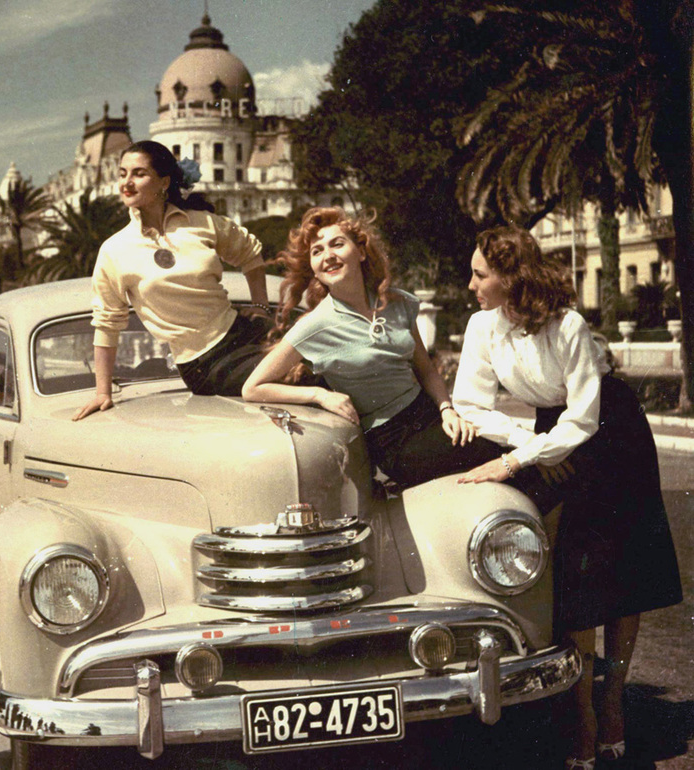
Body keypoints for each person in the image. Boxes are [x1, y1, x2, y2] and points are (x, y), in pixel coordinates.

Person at [453, 225, 682, 770]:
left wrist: (515, 460)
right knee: (575, 576)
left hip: (612, 431)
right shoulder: (482, 326)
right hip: (550, 437)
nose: (471, 285)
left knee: (624, 573)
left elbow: (584, 417)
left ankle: (614, 698)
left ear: (511, 277)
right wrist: (527, 444)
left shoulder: (568, 324)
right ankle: (582, 715)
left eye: (480, 275)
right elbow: (469, 404)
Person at [241, 207, 499, 488]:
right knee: (501, 456)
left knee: (506, 449)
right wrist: (319, 395)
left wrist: (447, 410)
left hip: (431, 415)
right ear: (313, 268)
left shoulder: (397, 302)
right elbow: (252, 388)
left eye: (337, 244)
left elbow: (425, 369)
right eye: (317, 251)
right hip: (394, 441)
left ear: (361, 252)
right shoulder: (314, 326)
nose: (328, 255)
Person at [74, 140, 269, 420]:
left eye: (139, 174)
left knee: (321, 360)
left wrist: (261, 307)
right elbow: (107, 323)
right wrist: (103, 393)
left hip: (245, 334)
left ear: (164, 182)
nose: (127, 182)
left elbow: (250, 253)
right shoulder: (114, 250)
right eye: (122, 174)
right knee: (302, 377)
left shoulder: (202, 222)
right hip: (203, 364)